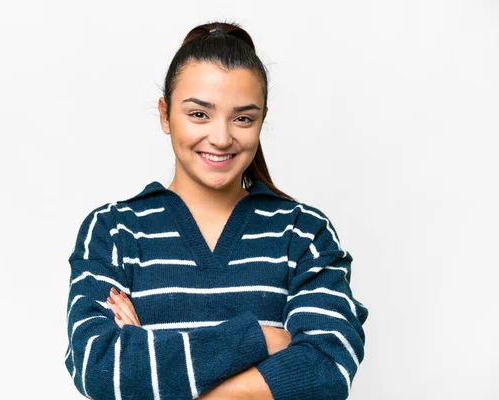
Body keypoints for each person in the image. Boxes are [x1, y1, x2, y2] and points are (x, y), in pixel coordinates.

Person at [64, 20, 368, 400]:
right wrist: (261, 338)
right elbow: (100, 366)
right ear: (165, 114)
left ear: (262, 119)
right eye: (199, 114)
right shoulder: (113, 231)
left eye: (243, 118)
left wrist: (154, 360)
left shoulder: (304, 232)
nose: (222, 138)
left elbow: (326, 370)